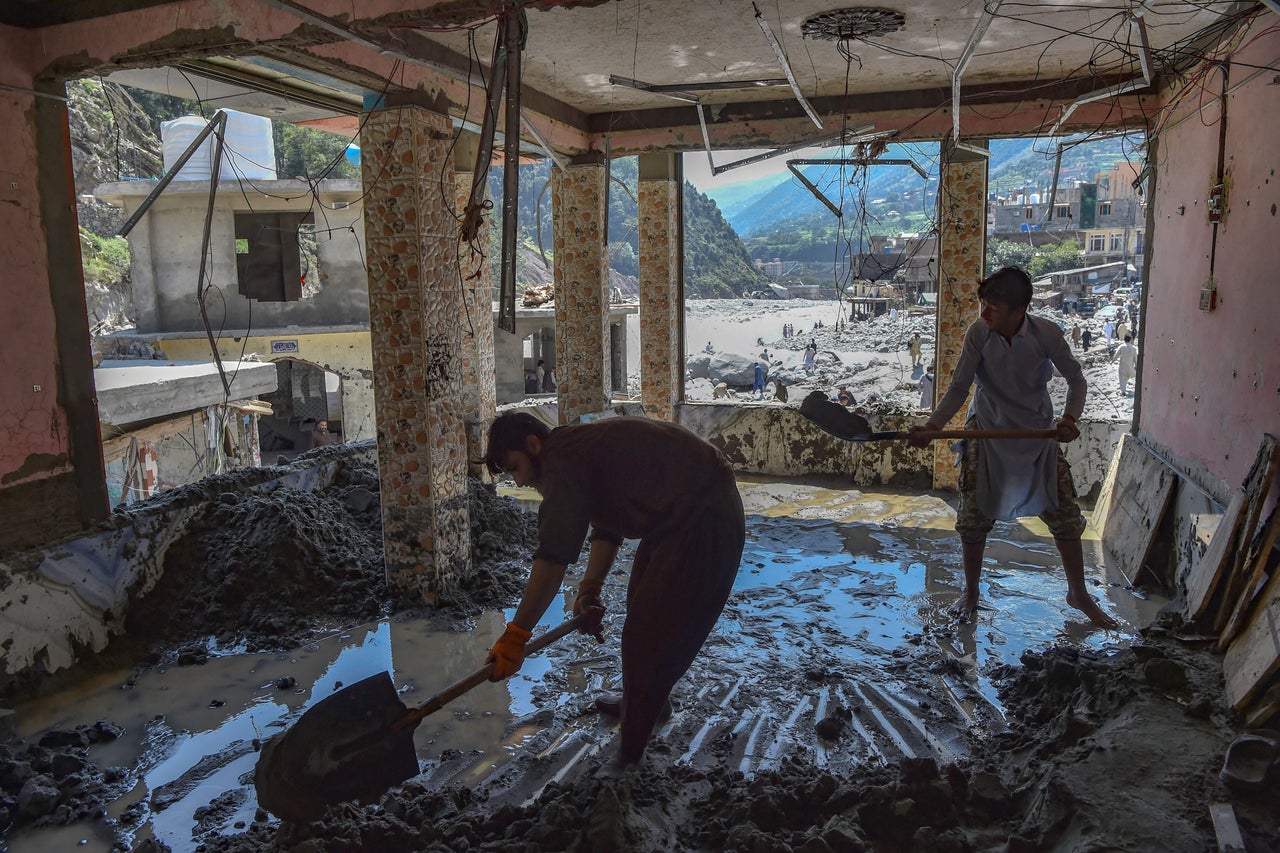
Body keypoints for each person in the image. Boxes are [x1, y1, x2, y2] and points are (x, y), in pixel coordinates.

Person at [483, 412, 745, 772]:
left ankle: (629, 754)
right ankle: (649, 703)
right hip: (674, 517)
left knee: (645, 636)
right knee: (642, 610)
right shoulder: (573, 451)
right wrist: (590, 589)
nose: (520, 479)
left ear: (533, 445)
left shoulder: (561, 463)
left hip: (704, 515)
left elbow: (552, 561)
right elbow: (607, 524)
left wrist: (516, 635)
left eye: (515, 467)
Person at [906, 266, 1117, 630]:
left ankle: (1078, 594)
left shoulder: (1046, 335)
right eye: (983, 305)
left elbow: (1076, 380)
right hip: (986, 432)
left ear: (1019, 311)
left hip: (1037, 436)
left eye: (993, 308)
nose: (984, 314)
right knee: (972, 518)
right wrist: (932, 428)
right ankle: (971, 592)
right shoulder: (979, 334)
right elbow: (959, 388)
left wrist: (1070, 420)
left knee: (1066, 515)